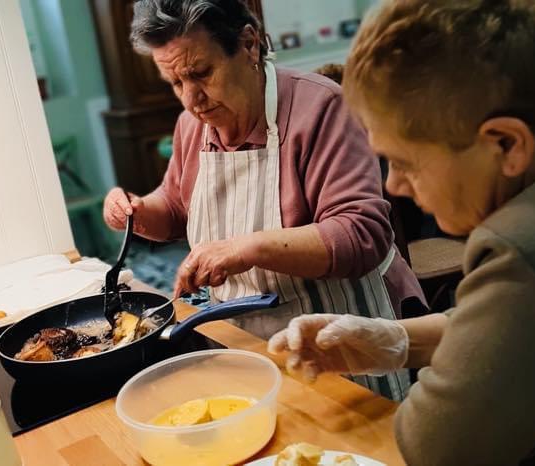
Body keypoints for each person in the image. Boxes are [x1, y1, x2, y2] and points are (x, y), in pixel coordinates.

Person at [269, 0, 535, 463]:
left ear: (506, 144)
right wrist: (399, 340)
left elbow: (434, 447)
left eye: (404, 161)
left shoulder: (534, 251)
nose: (394, 185)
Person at [105, 0, 424, 399]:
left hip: (337, 347)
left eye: (201, 73)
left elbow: (361, 235)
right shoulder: (192, 125)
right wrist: (136, 211)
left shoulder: (321, 107)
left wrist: (247, 248)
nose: (191, 99)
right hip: (244, 346)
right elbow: (173, 207)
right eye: (175, 83)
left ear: (249, 44)